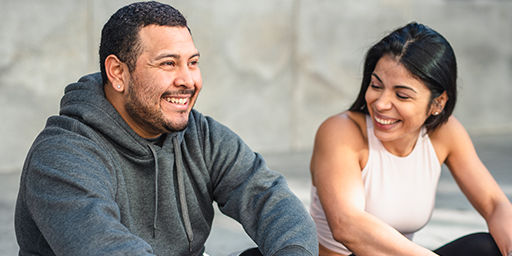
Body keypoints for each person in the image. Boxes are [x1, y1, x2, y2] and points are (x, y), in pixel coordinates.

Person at [14, 2, 318, 256]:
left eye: (193, 62)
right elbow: (104, 247)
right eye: (168, 64)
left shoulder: (201, 136)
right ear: (118, 73)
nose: (188, 80)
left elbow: (270, 199)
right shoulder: (61, 155)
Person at [309, 22, 512, 256]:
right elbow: (347, 225)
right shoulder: (340, 131)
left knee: (486, 248)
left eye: (402, 95)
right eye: (376, 85)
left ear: (437, 104)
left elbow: (495, 205)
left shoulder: (445, 133)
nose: (381, 104)